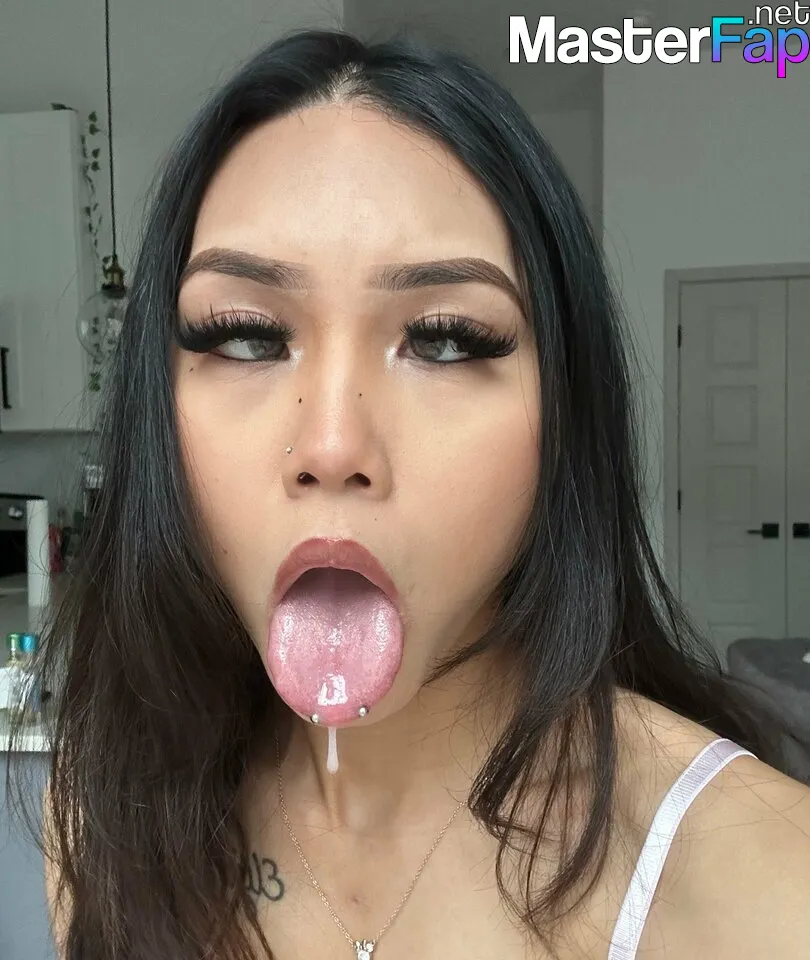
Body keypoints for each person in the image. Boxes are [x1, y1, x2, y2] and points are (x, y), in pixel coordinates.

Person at [9, 26, 810, 960]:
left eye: (443, 339)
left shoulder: (768, 886)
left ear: (566, 409)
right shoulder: (100, 821)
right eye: (245, 334)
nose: (332, 446)